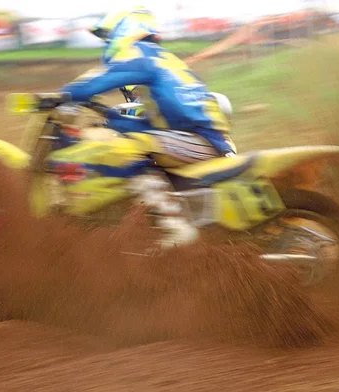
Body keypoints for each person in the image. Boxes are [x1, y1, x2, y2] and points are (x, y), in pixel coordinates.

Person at [58, 6, 237, 248]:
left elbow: (94, 83)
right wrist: (113, 118)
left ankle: (174, 225)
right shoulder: (160, 59)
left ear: (126, 30)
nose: (107, 44)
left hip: (200, 140)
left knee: (123, 150)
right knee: (126, 141)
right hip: (195, 137)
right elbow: (158, 120)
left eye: (109, 37)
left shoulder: (142, 55)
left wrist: (63, 94)